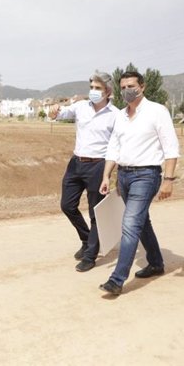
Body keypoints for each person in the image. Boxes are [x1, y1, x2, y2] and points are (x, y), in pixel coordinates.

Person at [97, 71, 180, 295]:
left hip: (147, 175)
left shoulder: (157, 111)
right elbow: (114, 147)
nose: (127, 91)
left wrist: (168, 180)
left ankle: (117, 279)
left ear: (142, 87)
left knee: (131, 225)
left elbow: (171, 147)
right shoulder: (120, 116)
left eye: (131, 86)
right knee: (142, 222)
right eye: (123, 87)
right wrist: (107, 175)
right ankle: (155, 262)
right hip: (123, 176)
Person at [48, 71, 119, 272]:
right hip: (76, 163)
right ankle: (87, 239)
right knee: (67, 205)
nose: (94, 92)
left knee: (96, 212)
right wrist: (53, 111)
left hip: (98, 166)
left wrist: (109, 173)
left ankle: (91, 256)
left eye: (98, 88)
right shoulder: (80, 107)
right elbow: (59, 114)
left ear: (108, 91)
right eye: (92, 88)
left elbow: (116, 146)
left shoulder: (115, 115)